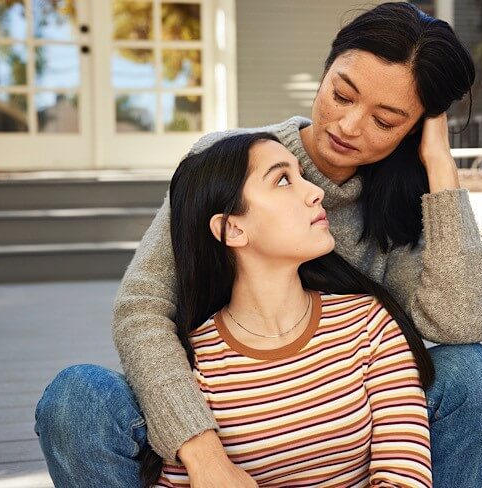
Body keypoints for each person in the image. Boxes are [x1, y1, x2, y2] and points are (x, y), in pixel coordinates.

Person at [34, 3, 482, 487]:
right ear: (325, 72)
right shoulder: (230, 163)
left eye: (385, 121)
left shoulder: (406, 205)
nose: (348, 126)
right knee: (77, 400)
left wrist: (441, 171)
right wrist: (203, 454)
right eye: (341, 94)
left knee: (476, 378)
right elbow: (142, 307)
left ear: (414, 129)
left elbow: (460, 322)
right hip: (218, 406)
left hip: (345, 415)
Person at [140, 132, 433, 487]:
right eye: (282, 180)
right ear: (233, 229)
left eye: (302, 176)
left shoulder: (368, 323)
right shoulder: (192, 370)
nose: (316, 192)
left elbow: (405, 478)